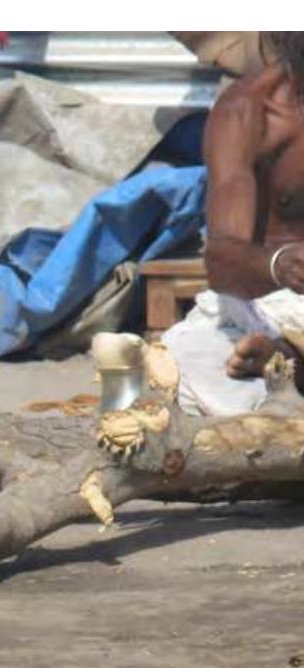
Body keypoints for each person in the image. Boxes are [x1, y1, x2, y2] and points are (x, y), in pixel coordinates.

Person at [163, 34, 304, 415]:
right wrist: (280, 264)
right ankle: (284, 360)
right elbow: (223, 263)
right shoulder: (249, 112)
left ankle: (290, 365)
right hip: (275, 302)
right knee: (187, 365)